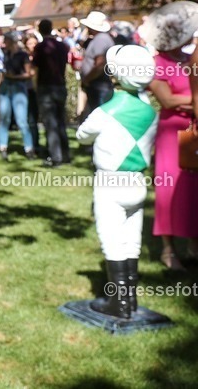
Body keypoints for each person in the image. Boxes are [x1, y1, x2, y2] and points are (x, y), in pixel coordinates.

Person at [76, 45, 157, 318]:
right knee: (132, 240)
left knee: (111, 240)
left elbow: (82, 135)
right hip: (138, 182)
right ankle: (130, 300)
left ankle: (118, 304)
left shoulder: (106, 112)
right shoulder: (151, 113)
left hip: (110, 183)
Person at [140, 2, 198, 271]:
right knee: (168, 190)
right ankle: (168, 249)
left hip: (191, 130)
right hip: (170, 134)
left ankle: (193, 244)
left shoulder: (188, 61)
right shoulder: (156, 64)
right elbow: (167, 99)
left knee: (192, 189)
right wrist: (193, 101)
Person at [34, 19, 72, 166]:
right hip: (60, 85)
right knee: (61, 121)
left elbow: (36, 67)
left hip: (46, 87)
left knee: (50, 123)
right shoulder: (62, 46)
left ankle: (55, 156)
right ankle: (65, 154)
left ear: (40, 30)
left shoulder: (41, 47)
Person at [0, 32, 35, 161]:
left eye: (6, 40)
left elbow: (28, 74)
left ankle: (29, 148)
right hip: (6, 87)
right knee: (4, 118)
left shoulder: (23, 55)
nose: (4, 43)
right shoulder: (6, 54)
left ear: (12, 41)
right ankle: (3, 147)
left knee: (21, 120)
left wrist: (14, 77)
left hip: (19, 88)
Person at [80, 11, 116, 117]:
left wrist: (87, 79)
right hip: (98, 84)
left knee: (99, 115)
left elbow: (100, 64)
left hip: (98, 84)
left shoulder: (100, 39)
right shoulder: (101, 38)